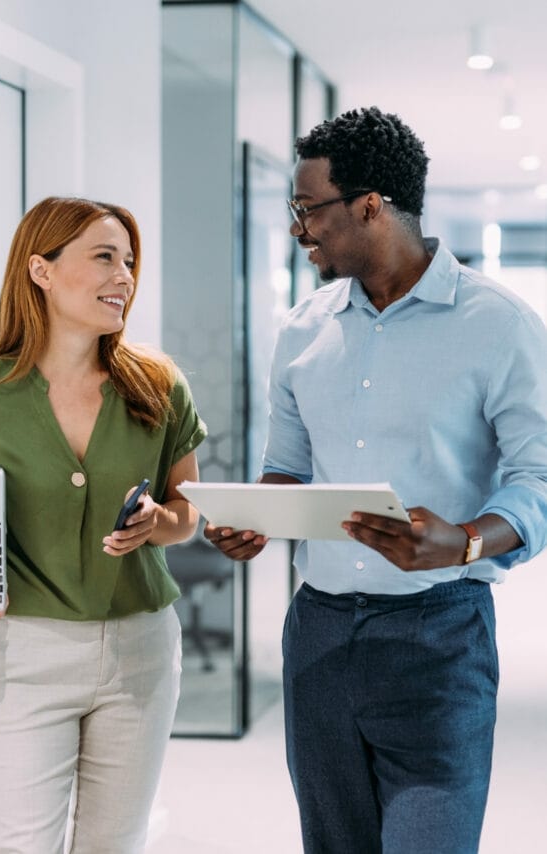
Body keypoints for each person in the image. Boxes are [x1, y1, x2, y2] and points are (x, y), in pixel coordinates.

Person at [204, 106, 547, 853]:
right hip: (319, 637)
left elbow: (538, 480)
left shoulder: (500, 326)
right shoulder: (302, 332)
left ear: (369, 207)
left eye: (309, 210)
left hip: (439, 638)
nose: (300, 230)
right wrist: (255, 518)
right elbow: (287, 472)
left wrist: (461, 542)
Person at [0, 196, 207, 853]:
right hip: (23, 654)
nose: (125, 276)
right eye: (105, 258)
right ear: (42, 270)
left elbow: (190, 511)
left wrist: (159, 522)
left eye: (131, 262)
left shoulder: (159, 386)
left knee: (114, 844)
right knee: (19, 845)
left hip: (140, 651)